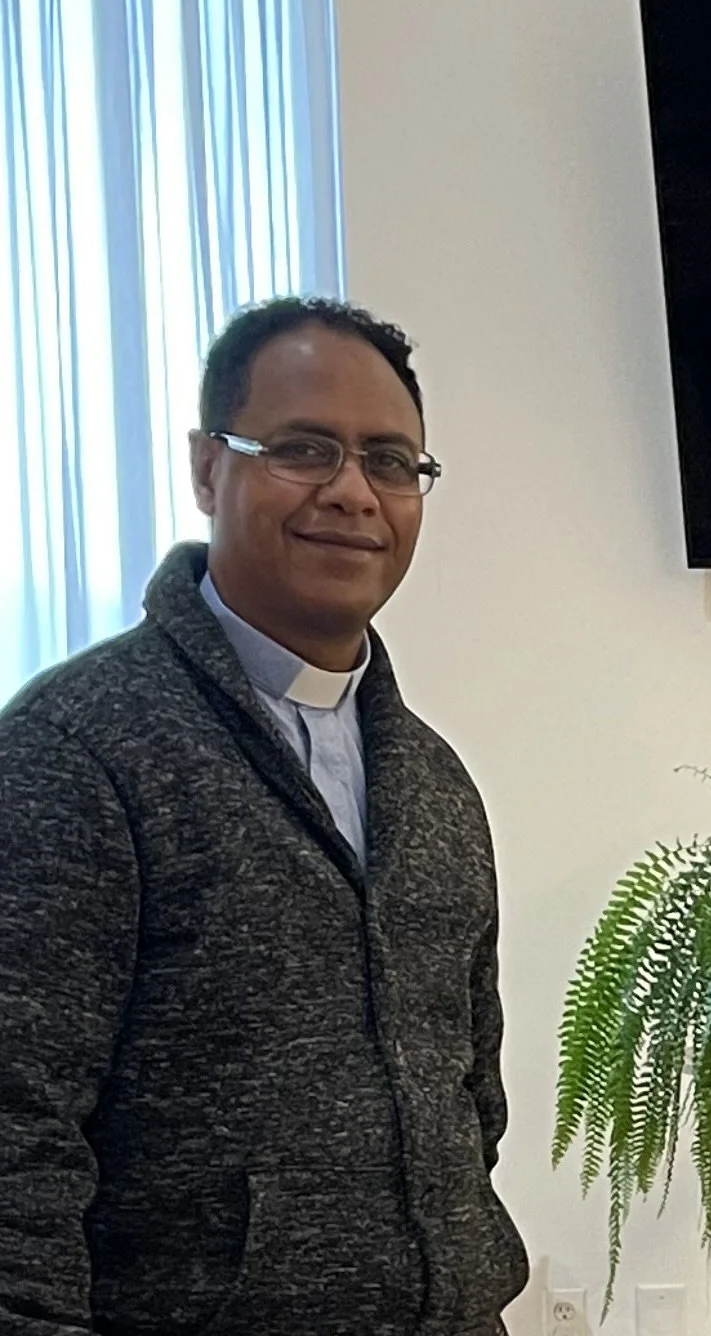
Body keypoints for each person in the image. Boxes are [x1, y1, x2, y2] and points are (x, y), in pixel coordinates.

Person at [0, 299, 528, 1333]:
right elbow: (14, 1136)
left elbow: (472, 1110)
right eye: (302, 448)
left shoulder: (434, 783)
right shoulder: (77, 753)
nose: (350, 492)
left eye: (390, 461)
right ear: (209, 468)